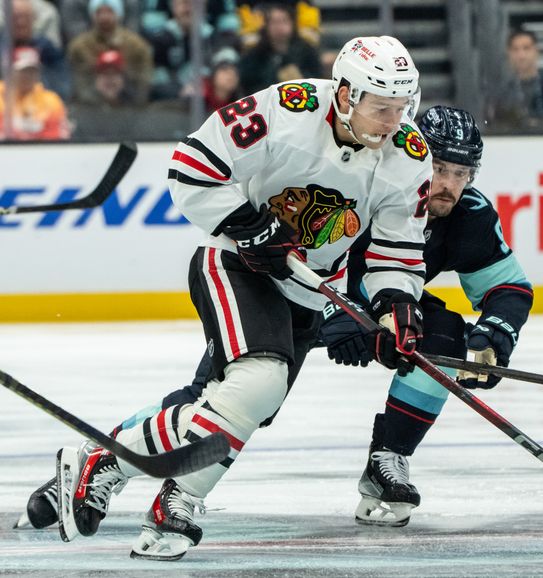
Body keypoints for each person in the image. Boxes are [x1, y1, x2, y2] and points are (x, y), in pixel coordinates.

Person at [34, 35, 430, 562]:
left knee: (246, 405)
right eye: (383, 108)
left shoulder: (408, 154)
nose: (394, 121)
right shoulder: (289, 109)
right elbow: (191, 166)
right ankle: (175, 494)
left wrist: (397, 307)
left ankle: (114, 465)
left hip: (310, 289)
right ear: (344, 96)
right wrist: (250, 226)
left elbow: (396, 251)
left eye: (403, 108)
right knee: (258, 381)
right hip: (235, 263)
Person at [321, 106, 533, 526]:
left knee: (445, 338)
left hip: (386, 306)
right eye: (439, 168)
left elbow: (507, 289)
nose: (449, 185)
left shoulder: (469, 214)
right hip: (304, 298)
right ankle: (183, 436)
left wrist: (494, 335)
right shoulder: (362, 185)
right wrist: (334, 306)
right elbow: (302, 252)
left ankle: (388, 458)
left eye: (461, 172)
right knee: (253, 382)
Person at [67, 0, 153, 105]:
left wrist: (125, 93)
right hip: (91, 109)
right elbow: (78, 84)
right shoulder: (79, 47)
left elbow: (143, 84)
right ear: (92, 15)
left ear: (119, 14)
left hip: (129, 108)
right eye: (99, 12)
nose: (104, 17)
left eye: (110, 11)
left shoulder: (138, 47)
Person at [485, 29, 543, 132]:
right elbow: (493, 126)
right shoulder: (501, 93)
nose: (521, 55)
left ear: (536, 51)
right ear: (509, 54)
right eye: (515, 49)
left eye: (526, 48)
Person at [238, 3, 321, 95]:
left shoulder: (307, 50)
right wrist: (274, 77)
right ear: (266, 25)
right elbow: (247, 86)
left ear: (292, 23)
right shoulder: (255, 53)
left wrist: (300, 79)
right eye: (274, 22)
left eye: (284, 21)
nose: (279, 27)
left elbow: (318, 80)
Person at [0, 47, 71, 140]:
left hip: (40, 152)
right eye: (22, 71)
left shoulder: (51, 100)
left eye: (32, 71)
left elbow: (57, 135)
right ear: (11, 71)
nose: (27, 76)